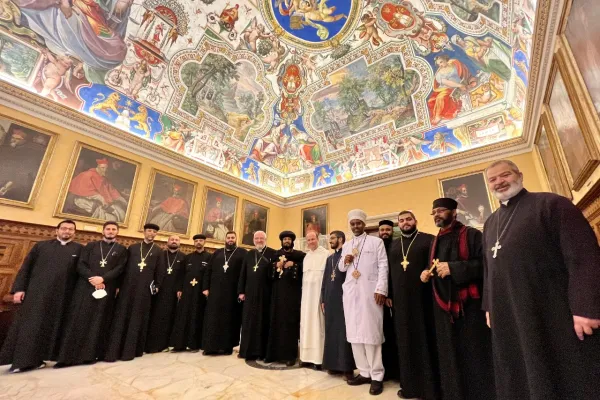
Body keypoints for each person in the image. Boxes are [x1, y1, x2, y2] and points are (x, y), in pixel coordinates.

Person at [482, 160, 600, 400]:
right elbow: (489, 269)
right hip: (509, 311)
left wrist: (585, 307)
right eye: (492, 179)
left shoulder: (551, 204)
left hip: (552, 309)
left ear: (519, 175)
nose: (499, 182)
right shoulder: (490, 222)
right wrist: (489, 306)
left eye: (504, 175)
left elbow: (583, 256)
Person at [422, 198, 495, 400]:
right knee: (449, 354)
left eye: (441, 210)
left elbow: (486, 265)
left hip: (469, 306)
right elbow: (436, 265)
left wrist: (454, 268)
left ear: (454, 212)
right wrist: (428, 272)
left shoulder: (472, 235)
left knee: (473, 354)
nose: (436, 214)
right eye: (434, 211)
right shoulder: (435, 240)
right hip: (443, 307)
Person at [0, 220, 82, 372]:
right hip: (36, 294)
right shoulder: (41, 246)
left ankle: (42, 359)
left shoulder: (79, 249)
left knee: (51, 328)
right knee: (30, 326)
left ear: (74, 233)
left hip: (62, 297)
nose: (67, 231)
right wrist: (19, 289)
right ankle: (21, 361)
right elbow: (26, 268)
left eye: (71, 229)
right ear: (56, 230)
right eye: (64, 228)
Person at [55, 221, 128, 367]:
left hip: (107, 288)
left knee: (99, 321)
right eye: (108, 229)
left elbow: (120, 268)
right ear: (103, 231)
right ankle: (68, 357)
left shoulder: (121, 250)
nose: (111, 231)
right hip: (85, 288)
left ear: (117, 232)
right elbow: (80, 264)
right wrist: (93, 279)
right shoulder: (90, 246)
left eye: (114, 229)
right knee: (79, 320)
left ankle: (91, 355)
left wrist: (103, 279)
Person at [389, 211, 439, 400]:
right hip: (401, 302)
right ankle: (409, 386)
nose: (405, 223)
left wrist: (428, 270)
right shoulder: (394, 245)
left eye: (408, 219)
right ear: (398, 224)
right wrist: (388, 294)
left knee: (424, 338)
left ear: (415, 221)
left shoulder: (429, 240)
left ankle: (429, 387)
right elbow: (388, 272)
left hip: (423, 300)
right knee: (405, 341)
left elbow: (435, 263)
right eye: (401, 221)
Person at [339, 209, 388, 396]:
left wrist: (381, 289)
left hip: (370, 293)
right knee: (354, 334)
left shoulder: (377, 242)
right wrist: (346, 260)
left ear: (364, 224)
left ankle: (377, 375)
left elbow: (383, 265)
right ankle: (364, 371)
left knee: (371, 333)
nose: (355, 226)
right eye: (352, 224)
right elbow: (341, 267)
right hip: (351, 293)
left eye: (358, 223)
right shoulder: (347, 245)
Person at [104, 223, 165, 362]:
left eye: (154, 231)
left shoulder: (158, 251)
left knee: (139, 318)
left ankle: (133, 350)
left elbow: (160, 271)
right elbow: (122, 268)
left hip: (145, 290)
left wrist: (156, 286)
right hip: (128, 287)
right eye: (149, 230)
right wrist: (119, 285)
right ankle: (115, 349)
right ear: (144, 232)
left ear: (156, 234)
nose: (151, 233)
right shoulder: (132, 248)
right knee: (122, 316)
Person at [202, 231, 247, 355]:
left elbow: (245, 273)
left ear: (236, 239)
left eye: (233, 238)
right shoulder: (217, 252)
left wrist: (242, 291)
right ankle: (210, 347)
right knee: (213, 319)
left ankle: (227, 347)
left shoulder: (242, 253)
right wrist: (205, 288)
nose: (230, 240)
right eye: (228, 238)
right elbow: (208, 271)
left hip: (232, 293)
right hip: (215, 292)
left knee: (230, 319)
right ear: (225, 239)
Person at [265, 231, 305, 366]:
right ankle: (273, 354)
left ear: (292, 241)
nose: (286, 241)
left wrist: (294, 265)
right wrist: (275, 266)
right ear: (281, 241)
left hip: (292, 295)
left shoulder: (299, 255)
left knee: (290, 324)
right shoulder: (275, 255)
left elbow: (305, 269)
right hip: (277, 294)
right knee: (275, 321)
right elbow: (269, 272)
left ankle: (290, 356)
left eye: (288, 239)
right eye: (284, 239)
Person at [320, 230, 355, 377]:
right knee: (331, 332)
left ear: (340, 239)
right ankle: (333, 365)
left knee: (344, 332)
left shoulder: (348, 256)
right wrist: (322, 299)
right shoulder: (330, 259)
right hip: (330, 299)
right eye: (330, 238)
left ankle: (347, 367)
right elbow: (325, 280)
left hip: (344, 298)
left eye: (333, 238)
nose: (330, 241)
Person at [237, 231, 276, 360]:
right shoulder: (249, 254)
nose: (259, 240)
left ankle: (261, 352)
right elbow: (243, 273)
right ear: (253, 240)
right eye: (257, 238)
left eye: (261, 238)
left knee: (262, 322)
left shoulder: (272, 253)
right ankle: (246, 351)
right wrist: (241, 291)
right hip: (249, 293)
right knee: (248, 322)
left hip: (266, 294)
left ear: (265, 239)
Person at [170, 234, 211, 353]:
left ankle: (194, 345)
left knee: (197, 316)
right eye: (196, 241)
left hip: (200, 292)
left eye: (201, 240)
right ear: (194, 243)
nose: (198, 242)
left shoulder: (209, 257)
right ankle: (179, 344)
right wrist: (179, 289)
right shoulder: (187, 258)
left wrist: (207, 288)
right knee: (183, 316)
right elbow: (181, 275)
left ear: (204, 242)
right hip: (187, 291)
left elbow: (209, 275)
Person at [146, 235, 186, 353]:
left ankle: (166, 344)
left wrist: (180, 289)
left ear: (180, 243)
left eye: (176, 240)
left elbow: (183, 275)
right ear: (167, 242)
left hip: (173, 292)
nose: (174, 241)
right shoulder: (160, 254)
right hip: (159, 290)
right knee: (155, 316)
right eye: (172, 240)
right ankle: (151, 344)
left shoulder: (183, 257)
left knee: (170, 317)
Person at [299, 230, 329, 369]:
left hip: (318, 296)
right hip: (306, 298)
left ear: (318, 239)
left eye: (313, 239)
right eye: (308, 240)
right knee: (306, 325)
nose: (310, 242)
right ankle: (305, 358)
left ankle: (318, 359)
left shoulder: (326, 254)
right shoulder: (306, 257)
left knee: (318, 326)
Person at [377, 219, 399, 382]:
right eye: (382, 230)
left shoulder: (397, 246)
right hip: (379, 298)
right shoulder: (377, 247)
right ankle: (384, 370)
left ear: (393, 231)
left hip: (394, 297)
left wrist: (389, 293)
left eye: (388, 230)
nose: (385, 232)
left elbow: (394, 274)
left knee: (394, 334)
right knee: (382, 334)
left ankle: (396, 370)